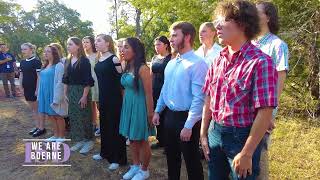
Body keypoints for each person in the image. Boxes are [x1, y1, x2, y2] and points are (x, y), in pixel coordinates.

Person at [200, 1, 278, 179]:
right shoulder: (218, 60)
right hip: (215, 132)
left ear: (242, 23)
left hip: (242, 137)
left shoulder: (261, 62)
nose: (217, 25)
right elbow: (209, 98)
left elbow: (265, 112)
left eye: (224, 20)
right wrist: (204, 133)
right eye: (217, 20)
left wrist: (247, 152)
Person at [152, 21, 207, 180]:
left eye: (175, 35)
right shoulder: (171, 63)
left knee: (192, 161)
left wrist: (188, 126)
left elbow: (199, 99)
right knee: (171, 158)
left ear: (187, 37)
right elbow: (165, 89)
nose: (171, 39)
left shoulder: (198, 64)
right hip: (169, 117)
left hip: (188, 118)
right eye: (171, 36)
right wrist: (158, 110)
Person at [252, 1, 289, 179]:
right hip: (242, 112)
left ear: (267, 17)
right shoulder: (248, 42)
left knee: (258, 161)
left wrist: (269, 115)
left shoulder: (277, 45)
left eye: (256, 12)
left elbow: (279, 81)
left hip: (262, 112)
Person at [119, 37, 155, 180]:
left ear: (136, 49)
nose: (123, 50)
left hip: (140, 107)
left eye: (126, 47)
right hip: (128, 106)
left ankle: (144, 170)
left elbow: (148, 93)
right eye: (122, 47)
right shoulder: (127, 66)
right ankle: (135, 166)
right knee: (132, 139)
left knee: (141, 140)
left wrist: (150, 113)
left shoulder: (143, 68)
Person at [92, 34, 127, 170]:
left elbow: (121, 80)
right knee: (105, 125)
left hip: (114, 99)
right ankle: (104, 153)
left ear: (107, 43)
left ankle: (117, 158)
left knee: (114, 127)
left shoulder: (114, 59)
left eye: (99, 41)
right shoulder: (99, 58)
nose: (96, 43)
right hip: (103, 97)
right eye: (95, 41)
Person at [62, 37, 95, 154]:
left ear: (78, 46)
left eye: (70, 44)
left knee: (84, 115)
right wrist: (65, 93)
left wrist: (85, 96)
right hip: (71, 91)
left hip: (82, 91)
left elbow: (88, 80)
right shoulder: (67, 60)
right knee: (74, 116)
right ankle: (79, 139)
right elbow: (65, 78)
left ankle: (89, 140)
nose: (68, 46)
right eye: (67, 44)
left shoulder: (84, 61)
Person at [38, 45, 66, 142]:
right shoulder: (45, 65)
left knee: (57, 115)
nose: (45, 53)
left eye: (48, 51)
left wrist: (57, 97)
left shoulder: (59, 65)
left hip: (54, 93)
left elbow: (60, 82)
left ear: (54, 53)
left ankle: (61, 136)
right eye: (44, 51)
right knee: (50, 115)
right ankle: (55, 135)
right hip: (45, 93)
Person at [150, 36, 171, 150]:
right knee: (157, 114)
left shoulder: (171, 57)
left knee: (166, 116)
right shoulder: (154, 57)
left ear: (166, 45)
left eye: (159, 44)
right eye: (155, 45)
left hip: (166, 90)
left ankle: (168, 142)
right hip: (155, 89)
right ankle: (160, 140)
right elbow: (151, 74)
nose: (156, 47)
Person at [19, 43, 45, 137]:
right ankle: (37, 126)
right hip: (26, 88)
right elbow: (21, 75)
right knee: (33, 110)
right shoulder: (22, 62)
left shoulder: (36, 61)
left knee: (38, 109)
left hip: (34, 88)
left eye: (25, 49)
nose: (23, 51)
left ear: (31, 49)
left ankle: (42, 128)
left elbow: (39, 77)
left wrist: (37, 90)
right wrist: (20, 87)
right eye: (22, 49)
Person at [50, 42, 70, 131]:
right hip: (55, 86)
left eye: (55, 49)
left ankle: (67, 123)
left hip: (65, 84)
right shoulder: (50, 62)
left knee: (65, 104)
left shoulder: (64, 60)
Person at [82, 36, 100, 136]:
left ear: (92, 43)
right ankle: (94, 124)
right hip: (86, 84)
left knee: (98, 105)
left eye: (87, 42)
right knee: (90, 105)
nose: (85, 44)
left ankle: (101, 126)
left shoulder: (97, 55)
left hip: (96, 82)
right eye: (83, 42)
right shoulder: (83, 57)